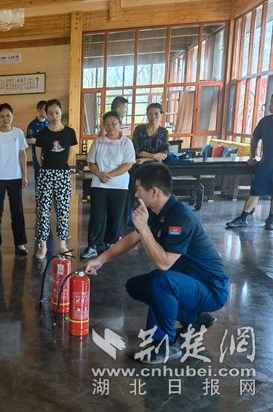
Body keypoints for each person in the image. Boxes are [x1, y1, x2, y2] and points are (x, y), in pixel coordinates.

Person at [84, 163, 229, 364]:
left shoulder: (181, 217)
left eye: (138, 189)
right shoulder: (156, 212)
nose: (136, 194)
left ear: (154, 191)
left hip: (211, 289)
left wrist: (145, 230)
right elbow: (131, 239)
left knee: (160, 281)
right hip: (188, 283)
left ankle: (164, 345)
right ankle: (194, 318)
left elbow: (164, 263)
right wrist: (100, 260)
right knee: (135, 286)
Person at [81, 111, 135, 259]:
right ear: (103, 126)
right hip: (99, 184)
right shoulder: (98, 142)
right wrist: (99, 174)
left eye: (114, 123)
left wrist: (111, 175)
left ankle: (111, 244)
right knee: (97, 216)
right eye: (107, 124)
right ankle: (92, 246)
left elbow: (128, 164)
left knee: (115, 216)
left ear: (120, 124)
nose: (110, 127)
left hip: (119, 185)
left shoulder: (126, 142)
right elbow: (91, 162)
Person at [34, 99, 77, 259]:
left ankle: (62, 244)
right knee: (43, 210)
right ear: (46, 114)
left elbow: (71, 154)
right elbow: (39, 157)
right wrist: (48, 169)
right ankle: (43, 245)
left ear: (61, 112)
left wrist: (61, 167)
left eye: (56, 112)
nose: (54, 116)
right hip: (45, 175)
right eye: (50, 113)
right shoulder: (42, 133)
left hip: (63, 175)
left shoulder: (70, 132)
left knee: (63, 210)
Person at [0, 103, 28, 256]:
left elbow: (22, 154)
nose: (5, 118)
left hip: (15, 177)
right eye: (2, 116)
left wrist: (24, 175)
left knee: (17, 211)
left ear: (12, 116)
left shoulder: (18, 133)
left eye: (8, 115)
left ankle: (20, 243)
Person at [226, 94, 273, 230]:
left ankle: (271, 220)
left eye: (271, 103)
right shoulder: (265, 122)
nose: (269, 106)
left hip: (267, 163)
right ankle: (243, 218)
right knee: (255, 191)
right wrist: (252, 156)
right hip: (266, 163)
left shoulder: (265, 121)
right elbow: (255, 138)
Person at [26, 100, 49, 192]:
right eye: (45, 109)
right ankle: (39, 194)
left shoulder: (49, 123)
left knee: (48, 174)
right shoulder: (32, 125)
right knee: (39, 174)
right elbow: (28, 140)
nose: (47, 111)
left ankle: (48, 192)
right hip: (37, 154)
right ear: (39, 110)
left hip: (49, 154)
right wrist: (42, 140)